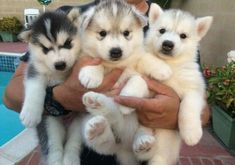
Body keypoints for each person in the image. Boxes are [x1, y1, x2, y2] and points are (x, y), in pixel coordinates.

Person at [3, 0, 210, 164]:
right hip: (86, 152)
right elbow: (11, 96)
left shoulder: (168, 23)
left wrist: (175, 114)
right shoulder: (68, 17)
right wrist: (62, 98)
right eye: (102, 33)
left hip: (148, 148)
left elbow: (202, 109)